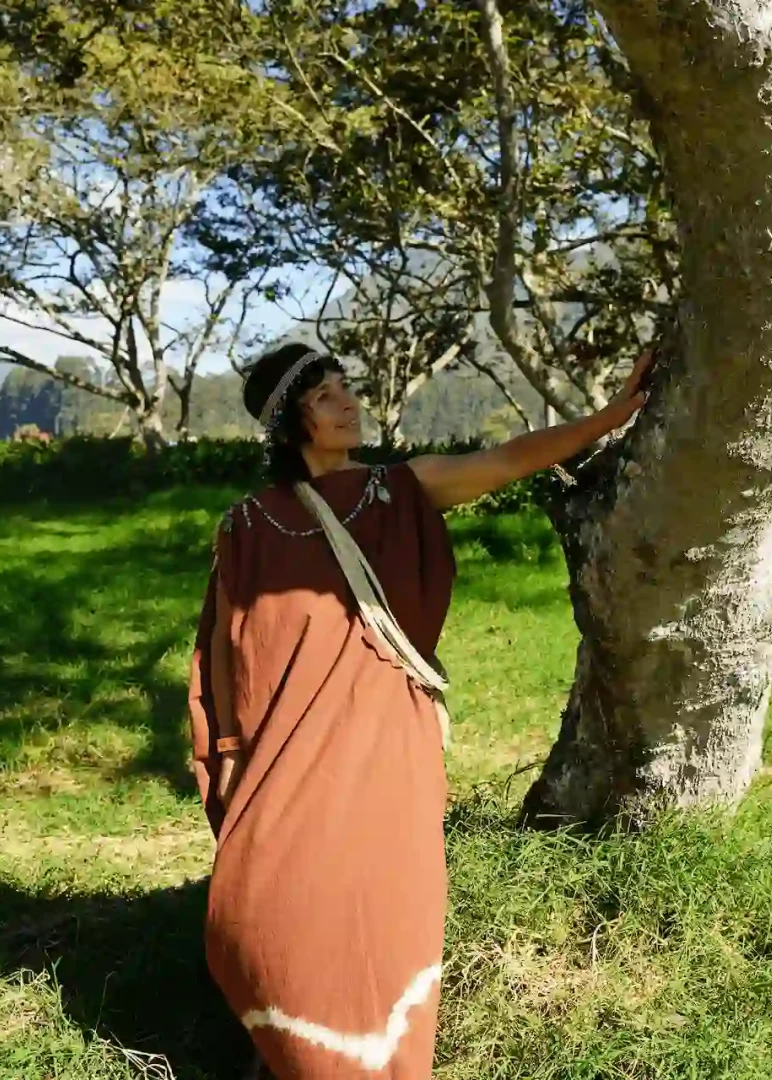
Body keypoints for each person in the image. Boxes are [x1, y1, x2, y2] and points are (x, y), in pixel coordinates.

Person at [187, 341, 652, 1079]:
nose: (349, 402)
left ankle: (376, 1060)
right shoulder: (247, 524)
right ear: (292, 421)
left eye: (347, 388)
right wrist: (235, 749)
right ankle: (295, 1047)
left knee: (383, 902)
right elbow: (230, 647)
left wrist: (612, 416)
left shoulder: (398, 490)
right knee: (271, 898)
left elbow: (507, 460)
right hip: (288, 746)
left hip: (384, 739)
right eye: (328, 394)